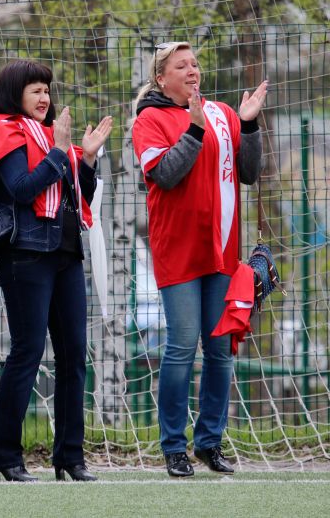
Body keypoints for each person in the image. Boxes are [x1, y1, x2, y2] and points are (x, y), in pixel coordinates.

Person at [0, 60, 113, 482]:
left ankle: (70, 456)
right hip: (25, 255)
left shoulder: (53, 136)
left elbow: (78, 195)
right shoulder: (4, 135)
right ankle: (5, 456)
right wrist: (58, 151)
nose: (44, 97)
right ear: (13, 94)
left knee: (74, 356)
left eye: (47, 90)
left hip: (66, 253)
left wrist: (86, 159)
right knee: (28, 351)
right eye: (35, 90)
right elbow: (21, 189)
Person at [132, 41, 266, 477]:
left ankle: (209, 442)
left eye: (195, 64)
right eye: (181, 66)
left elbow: (249, 173)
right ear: (161, 79)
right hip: (178, 252)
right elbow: (165, 174)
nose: (192, 70)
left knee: (220, 350)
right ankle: (174, 446)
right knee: (182, 346)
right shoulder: (149, 120)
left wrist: (249, 125)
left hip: (222, 252)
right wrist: (192, 128)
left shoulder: (222, 113)